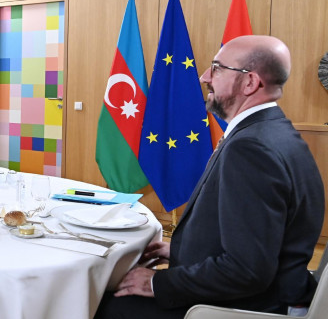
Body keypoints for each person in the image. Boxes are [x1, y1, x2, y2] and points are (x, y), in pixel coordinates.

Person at [95, 35, 325, 319]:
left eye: (217, 68)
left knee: (95, 303)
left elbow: (247, 271)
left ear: (250, 82)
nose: (204, 77)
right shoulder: (274, 131)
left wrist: (157, 283)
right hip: (270, 293)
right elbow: (259, 236)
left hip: (244, 307)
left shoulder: (250, 149)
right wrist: (183, 250)